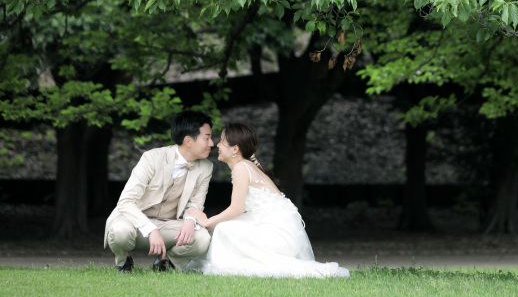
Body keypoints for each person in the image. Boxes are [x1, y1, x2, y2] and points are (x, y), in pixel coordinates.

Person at [186, 123, 349, 279]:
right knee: (224, 226)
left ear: (235, 149)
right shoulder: (247, 166)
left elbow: (235, 209)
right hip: (281, 232)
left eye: (221, 141)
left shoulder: (241, 168)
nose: (217, 145)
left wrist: (207, 221)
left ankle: (227, 266)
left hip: (280, 237)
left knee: (222, 228)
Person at [103, 110, 215, 273]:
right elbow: (126, 202)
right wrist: (150, 228)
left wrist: (190, 220)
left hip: (169, 225)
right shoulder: (152, 158)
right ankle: (123, 262)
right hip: (135, 223)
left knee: (202, 238)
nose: (211, 143)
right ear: (188, 141)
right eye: (207, 137)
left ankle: (166, 261)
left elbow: (196, 203)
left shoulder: (206, 167)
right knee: (120, 231)